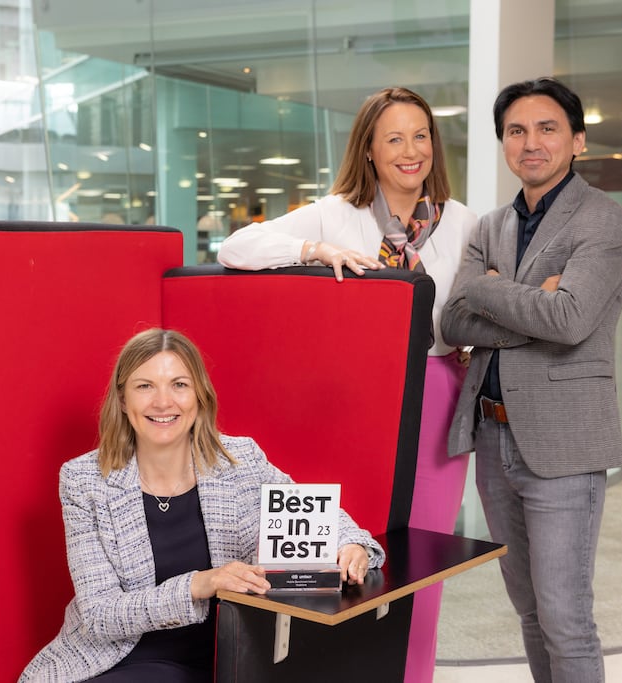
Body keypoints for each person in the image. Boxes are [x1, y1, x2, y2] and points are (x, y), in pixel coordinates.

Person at [217, 86, 477, 683]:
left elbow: (480, 300)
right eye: (394, 139)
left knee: (422, 560)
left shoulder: (461, 221)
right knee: (351, 556)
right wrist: (310, 249)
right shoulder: (337, 212)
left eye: (420, 137)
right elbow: (236, 246)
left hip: (437, 393)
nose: (411, 152)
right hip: (357, 401)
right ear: (368, 150)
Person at [20, 328, 383, 683]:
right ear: (122, 400)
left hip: (224, 654)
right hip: (112, 658)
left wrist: (350, 544)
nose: (163, 402)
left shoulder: (240, 460)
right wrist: (200, 584)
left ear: (199, 396)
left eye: (179, 385)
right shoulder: (84, 480)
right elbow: (100, 615)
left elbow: (307, 508)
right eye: (145, 386)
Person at [440, 77, 622, 682]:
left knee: (565, 618)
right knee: (527, 612)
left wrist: (488, 289)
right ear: (503, 143)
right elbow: (452, 319)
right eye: (516, 131)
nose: (531, 142)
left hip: (565, 445)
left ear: (576, 140)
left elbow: (571, 319)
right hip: (494, 443)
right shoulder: (490, 225)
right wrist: (528, 301)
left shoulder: (603, 219)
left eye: (547, 128)